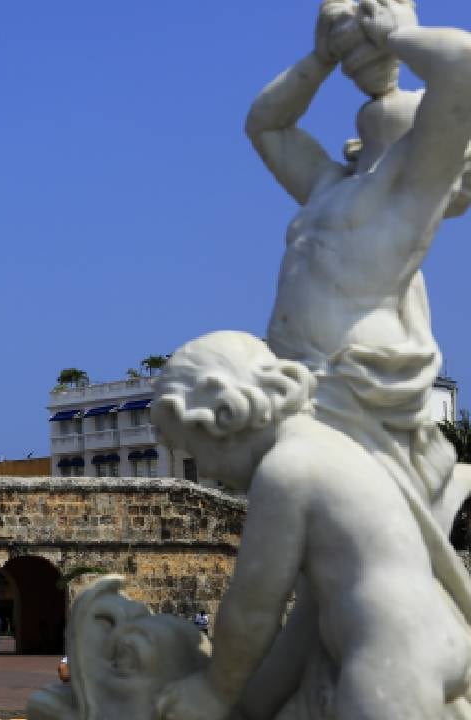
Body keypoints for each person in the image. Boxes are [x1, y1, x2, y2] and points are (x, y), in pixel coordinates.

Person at [151, 331, 471, 720]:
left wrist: (215, 691)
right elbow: (306, 621)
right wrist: (251, 705)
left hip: (390, 661)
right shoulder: (334, 446)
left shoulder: (286, 470)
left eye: (195, 451)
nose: (204, 471)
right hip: (436, 635)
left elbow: (253, 609)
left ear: (226, 413)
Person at [247, 0, 471, 530]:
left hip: (356, 389)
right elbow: (266, 126)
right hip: (305, 387)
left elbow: (461, 62)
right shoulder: (330, 189)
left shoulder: (411, 196)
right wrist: (322, 57)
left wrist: (396, 36)